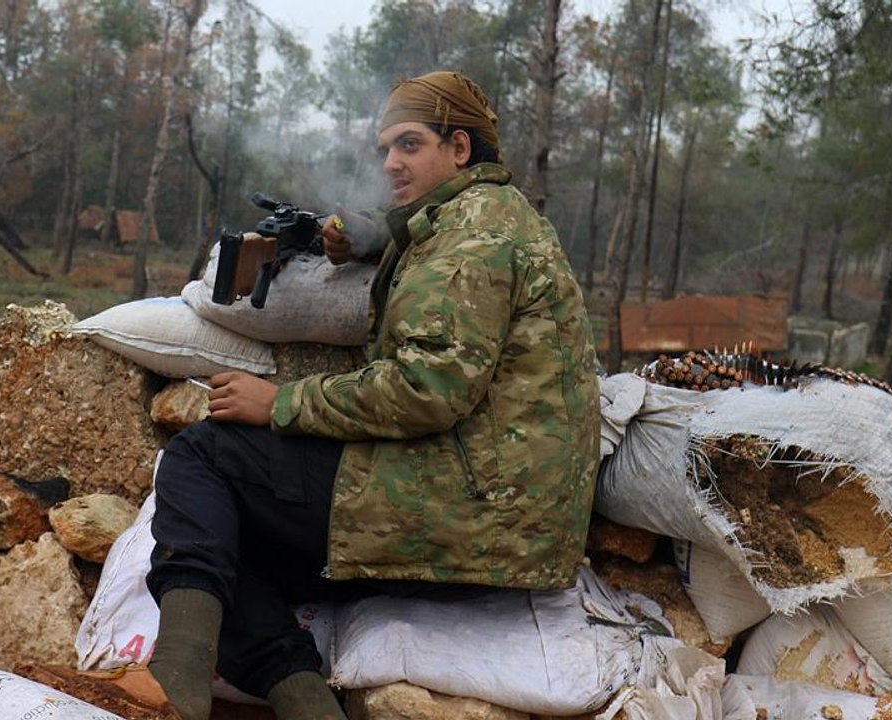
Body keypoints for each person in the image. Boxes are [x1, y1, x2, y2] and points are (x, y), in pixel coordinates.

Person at [144, 70, 600, 720]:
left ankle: (173, 683)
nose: (390, 162)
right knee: (228, 531)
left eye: (410, 144)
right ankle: (304, 699)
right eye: (386, 147)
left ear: (461, 149)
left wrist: (279, 403)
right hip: (504, 519)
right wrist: (384, 233)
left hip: (467, 516)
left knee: (201, 459)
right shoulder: (489, 217)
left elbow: (427, 389)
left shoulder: (469, 244)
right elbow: (438, 249)